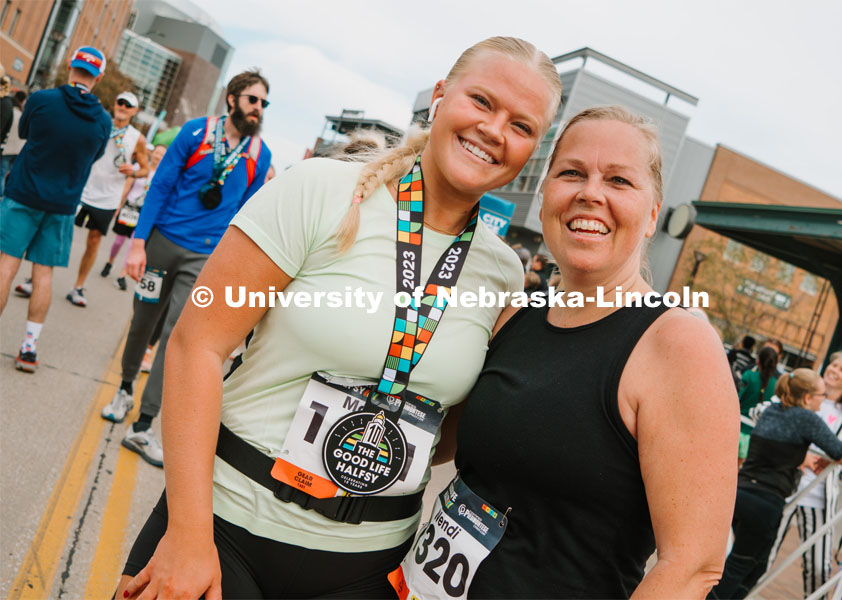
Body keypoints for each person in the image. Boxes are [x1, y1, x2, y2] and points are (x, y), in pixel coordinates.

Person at [116, 37, 561, 600]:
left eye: (522, 127)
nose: (496, 130)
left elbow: (447, 427)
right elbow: (194, 348)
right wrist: (186, 531)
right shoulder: (319, 191)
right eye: (482, 102)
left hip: (368, 564)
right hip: (225, 530)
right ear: (442, 96)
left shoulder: (503, 273)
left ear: (533, 153)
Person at [442, 106, 738, 598]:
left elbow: (693, 566)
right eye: (572, 173)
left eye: (619, 181)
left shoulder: (678, 345)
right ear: (544, 197)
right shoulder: (517, 315)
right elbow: (440, 446)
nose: (590, 193)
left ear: (651, 215)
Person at [100, 69, 273, 469]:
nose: (258, 108)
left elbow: (244, 213)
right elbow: (160, 185)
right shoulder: (196, 133)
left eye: (264, 103)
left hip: (204, 259)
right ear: (232, 99)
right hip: (160, 246)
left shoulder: (258, 154)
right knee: (143, 321)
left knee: (177, 333)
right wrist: (138, 243)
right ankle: (125, 388)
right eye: (252, 100)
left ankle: (143, 424)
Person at [0, 46, 111, 372]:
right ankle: (29, 348)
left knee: (6, 266)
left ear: (69, 66)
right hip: (62, 205)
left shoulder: (42, 100)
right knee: (43, 275)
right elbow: (96, 155)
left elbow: (25, 133)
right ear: (99, 77)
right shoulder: (102, 121)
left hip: (23, 195)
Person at [711, 370, 842, 599]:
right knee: (740, 566)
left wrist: (802, 455)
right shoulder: (807, 419)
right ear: (807, 398)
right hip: (766, 502)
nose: (823, 399)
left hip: (741, 493)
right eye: (821, 394)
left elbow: (778, 446)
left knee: (757, 565)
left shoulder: (771, 411)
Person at [758, 350, 842, 596]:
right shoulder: (802, 393)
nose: (833, 370)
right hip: (783, 487)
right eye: (833, 364)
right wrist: (798, 454)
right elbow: (761, 413)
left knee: (819, 567)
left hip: (818, 498)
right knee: (763, 555)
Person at [64, 91, 148, 307]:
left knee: (93, 241)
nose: (122, 107)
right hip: (81, 189)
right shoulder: (100, 123)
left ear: (134, 111)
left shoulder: (137, 138)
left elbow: (145, 169)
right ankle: (34, 277)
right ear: (114, 104)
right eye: (120, 102)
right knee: (59, 231)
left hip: (107, 198)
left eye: (128, 105)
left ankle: (78, 286)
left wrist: (132, 170)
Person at [100, 144, 167, 291]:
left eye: (162, 155)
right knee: (118, 241)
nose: (158, 157)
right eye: (157, 153)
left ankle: (122, 276)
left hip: (144, 212)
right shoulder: (139, 169)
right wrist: (119, 205)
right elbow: (127, 186)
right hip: (129, 208)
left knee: (133, 243)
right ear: (151, 153)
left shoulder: (163, 175)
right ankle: (110, 262)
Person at [738, 346, 779, 463]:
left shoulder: (748, 375)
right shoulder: (775, 385)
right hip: (754, 437)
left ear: (758, 360)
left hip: (737, 429)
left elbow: (737, 397)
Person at [1, 90, 26, 197]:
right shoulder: (22, 114)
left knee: (2, 174)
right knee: (8, 175)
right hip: (18, 150)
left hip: (8, 149)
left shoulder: (11, 111)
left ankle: (1, 196)